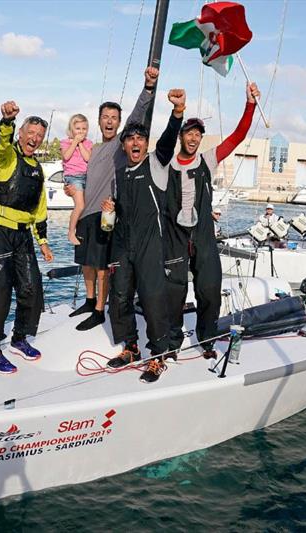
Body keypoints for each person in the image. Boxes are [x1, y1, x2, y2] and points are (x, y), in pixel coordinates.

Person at [163, 81, 259, 359]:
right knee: (174, 292)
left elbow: (238, 136)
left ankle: (206, 339)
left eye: (198, 135)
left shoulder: (208, 159)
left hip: (203, 234)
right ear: (181, 136)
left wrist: (250, 104)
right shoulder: (165, 163)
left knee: (209, 289)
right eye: (189, 133)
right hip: (175, 236)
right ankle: (172, 342)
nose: (193, 138)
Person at [102, 88, 186, 384]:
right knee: (120, 297)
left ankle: (159, 355)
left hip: (151, 245)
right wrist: (109, 211)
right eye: (130, 139)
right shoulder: (121, 173)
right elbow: (113, 222)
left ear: (145, 144)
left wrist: (177, 113)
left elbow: (168, 139)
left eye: (139, 139)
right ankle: (131, 348)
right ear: (123, 145)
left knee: (152, 300)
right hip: (123, 246)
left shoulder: (156, 163)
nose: (135, 143)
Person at [65, 67, 160, 332]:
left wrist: (148, 87)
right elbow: (77, 173)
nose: (109, 121)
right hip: (85, 213)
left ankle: (98, 311)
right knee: (85, 262)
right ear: (98, 121)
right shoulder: (92, 149)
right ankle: (89, 299)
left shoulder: (121, 144)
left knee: (102, 266)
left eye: (114, 118)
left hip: (104, 213)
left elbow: (138, 114)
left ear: (119, 123)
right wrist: (70, 188)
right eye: (105, 117)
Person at [0, 102, 54, 374]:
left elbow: (40, 207)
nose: (34, 139)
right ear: (21, 134)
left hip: (23, 237)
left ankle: (20, 339)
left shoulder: (38, 168)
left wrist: (43, 241)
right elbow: (1, 142)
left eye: (39, 135)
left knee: (31, 289)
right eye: (30, 133)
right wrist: (7, 121)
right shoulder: (6, 157)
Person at [61, 114, 93, 245]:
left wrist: (80, 144)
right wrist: (74, 142)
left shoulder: (88, 143)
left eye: (84, 129)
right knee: (80, 205)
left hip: (86, 176)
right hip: (73, 177)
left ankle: (82, 230)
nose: (81, 131)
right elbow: (66, 156)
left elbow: (88, 158)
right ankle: (70, 232)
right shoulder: (65, 142)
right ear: (71, 129)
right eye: (78, 128)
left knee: (85, 207)